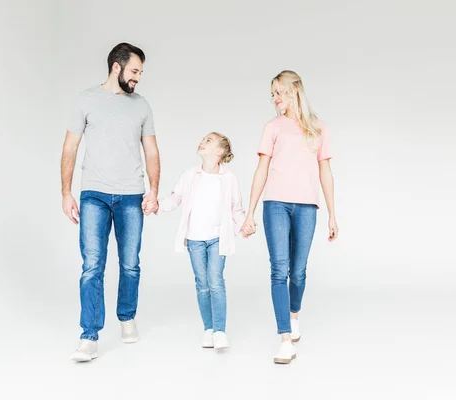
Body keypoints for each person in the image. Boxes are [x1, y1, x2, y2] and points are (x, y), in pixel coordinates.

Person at [60, 42, 161, 362]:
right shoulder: (86, 99)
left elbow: (152, 151)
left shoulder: (142, 105)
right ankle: (89, 335)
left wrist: (154, 189)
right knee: (92, 266)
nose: (138, 78)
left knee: (130, 263)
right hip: (94, 195)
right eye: (134, 71)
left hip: (132, 194)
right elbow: (69, 149)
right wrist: (66, 193)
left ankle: (127, 317)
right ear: (116, 67)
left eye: (141, 73)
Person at [241, 70, 338, 364]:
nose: (274, 99)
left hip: (307, 206)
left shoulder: (318, 128)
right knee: (278, 269)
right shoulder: (272, 127)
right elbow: (261, 170)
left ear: (294, 90)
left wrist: (333, 214)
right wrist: (250, 212)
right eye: (272, 94)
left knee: (298, 271)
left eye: (278, 92)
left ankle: (294, 314)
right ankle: (284, 338)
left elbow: (325, 171)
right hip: (276, 205)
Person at [151, 132, 245, 350]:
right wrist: (156, 204)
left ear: (219, 152)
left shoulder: (229, 178)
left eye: (208, 141)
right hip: (194, 239)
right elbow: (174, 199)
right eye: (203, 139)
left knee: (216, 281)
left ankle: (220, 331)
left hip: (217, 239)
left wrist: (244, 226)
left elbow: (236, 209)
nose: (202, 142)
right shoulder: (190, 175)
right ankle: (209, 329)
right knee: (202, 284)